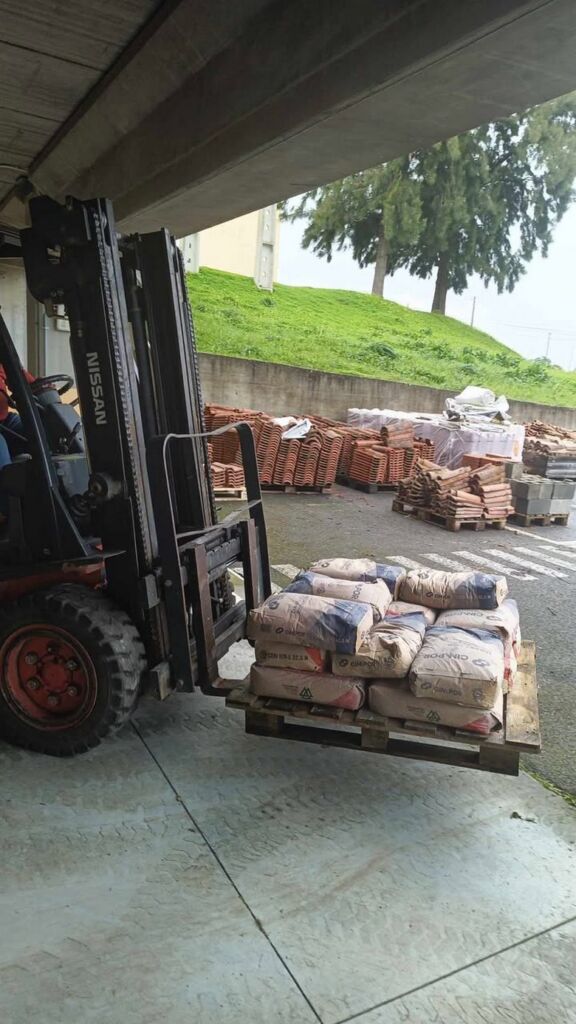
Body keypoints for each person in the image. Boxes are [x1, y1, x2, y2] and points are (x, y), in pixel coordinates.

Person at [0, 363, 35, 515]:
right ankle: (4, 511)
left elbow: (17, 374)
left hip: (5, 421)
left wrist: (41, 386)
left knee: (38, 430)